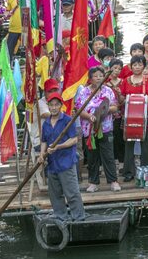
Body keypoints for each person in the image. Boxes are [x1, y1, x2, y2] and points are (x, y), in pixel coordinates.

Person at [39, 93, 86, 221]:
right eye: (51, 105)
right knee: (55, 194)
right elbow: (44, 141)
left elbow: (74, 140)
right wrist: (42, 154)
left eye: (56, 105)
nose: (53, 108)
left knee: (71, 192)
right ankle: (61, 216)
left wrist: (59, 147)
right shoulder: (46, 123)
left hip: (66, 162)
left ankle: (78, 217)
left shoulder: (67, 120)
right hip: (52, 163)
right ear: (48, 106)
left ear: (60, 106)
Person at [76, 67, 121, 192]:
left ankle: (113, 181)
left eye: (101, 76)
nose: (98, 78)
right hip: (89, 129)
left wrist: (103, 112)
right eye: (95, 76)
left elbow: (115, 107)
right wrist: (90, 116)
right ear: (90, 78)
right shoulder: (84, 92)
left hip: (105, 127)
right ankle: (93, 182)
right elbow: (79, 109)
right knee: (92, 156)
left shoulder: (108, 91)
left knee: (108, 155)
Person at [120, 56, 148, 182]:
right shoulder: (125, 80)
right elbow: (121, 98)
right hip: (129, 115)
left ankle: (145, 170)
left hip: (145, 114)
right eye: (134, 65)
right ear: (130, 66)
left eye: (140, 65)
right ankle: (128, 172)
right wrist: (125, 99)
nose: (137, 67)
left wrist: (142, 98)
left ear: (144, 66)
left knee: (145, 144)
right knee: (129, 143)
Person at [106, 58, 126, 164]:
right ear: (109, 68)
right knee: (110, 136)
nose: (117, 70)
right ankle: (112, 159)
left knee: (120, 136)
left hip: (120, 113)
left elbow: (123, 99)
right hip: (108, 114)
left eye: (119, 69)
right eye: (115, 68)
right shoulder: (105, 83)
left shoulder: (123, 82)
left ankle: (122, 160)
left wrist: (119, 94)